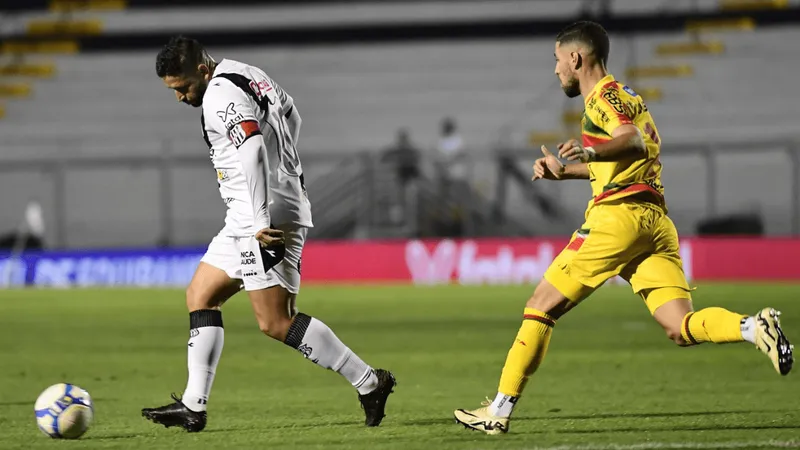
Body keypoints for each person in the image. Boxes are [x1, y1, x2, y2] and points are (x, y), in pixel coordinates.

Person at [453, 21, 793, 435]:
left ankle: (498, 413)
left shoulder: (600, 101)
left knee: (541, 305)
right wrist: (569, 171)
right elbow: (630, 159)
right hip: (654, 223)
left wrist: (589, 149)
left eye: (558, 61)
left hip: (617, 220)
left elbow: (631, 141)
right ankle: (753, 327)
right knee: (680, 327)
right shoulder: (627, 94)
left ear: (576, 59)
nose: (556, 70)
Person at [142, 36, 396, 432]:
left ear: (201, 69)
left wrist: (262, 218)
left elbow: (253, 149)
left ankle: (369, 382)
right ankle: (194, 405)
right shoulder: (246, 73)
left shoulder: (219, 94)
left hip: (260, 219)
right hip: (250, 214)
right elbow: (292, 113)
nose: (180, 97)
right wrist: (287, 170)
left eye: (183, 87)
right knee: (201, 294)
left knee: (277, 322)